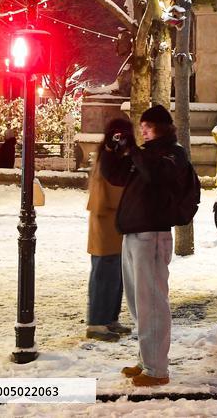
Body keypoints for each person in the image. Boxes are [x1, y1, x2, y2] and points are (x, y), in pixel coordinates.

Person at [100, 104, 191, 387]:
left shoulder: (173, 155)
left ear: (161, 128)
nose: (142, 131)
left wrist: (135, 151)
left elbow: (155, 174)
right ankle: (147, 359)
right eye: (141, 127)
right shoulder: (148, 155)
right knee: (139, 305)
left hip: (151, 237)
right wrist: (111, 147)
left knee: (152, 303)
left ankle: (157, 369)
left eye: (147, 127)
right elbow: (115, 175)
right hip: (134, 236)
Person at [86, 118, 132, 342]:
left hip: (114, 222)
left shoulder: (113, 156)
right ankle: (97, 322)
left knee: (115, 275)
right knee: (104, 273)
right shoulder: (107, 157)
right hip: (106, 221)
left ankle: (109, 318)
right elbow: (114, 189)